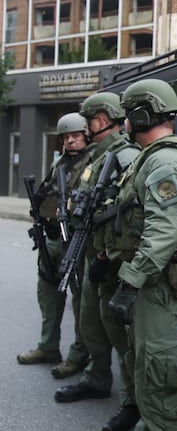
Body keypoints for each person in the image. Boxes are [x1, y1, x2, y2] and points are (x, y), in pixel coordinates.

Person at [101, 79, 177, 431]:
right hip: (156, 279)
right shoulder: (155, 155)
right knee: (148, 364)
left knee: (163, 370)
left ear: (141, 114)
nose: (125, 123)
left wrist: (129, 282)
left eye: (129, 114)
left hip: (159, 282)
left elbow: (163, 231)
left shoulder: (164, 159)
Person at [54, 92, 142, 431]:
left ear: (103, 119)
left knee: (123, 337)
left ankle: (132, 402)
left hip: (116, 258)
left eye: (89, 121)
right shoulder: (102, 154)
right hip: (96, 252)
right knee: (92, 321)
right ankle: (96, 378)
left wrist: (110, 258)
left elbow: (131, 212)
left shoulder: (126, 154)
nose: (85, 128)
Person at [17, 113, 92, 379]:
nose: (70, 141)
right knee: (48, 295)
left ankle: (79, 355)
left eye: (75, 136)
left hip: (74, 241)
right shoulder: (61, 162)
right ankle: (48, 347)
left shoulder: (93, 161)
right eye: (66, 137)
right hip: (51, 238)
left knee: (82, 303)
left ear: (86, 135)